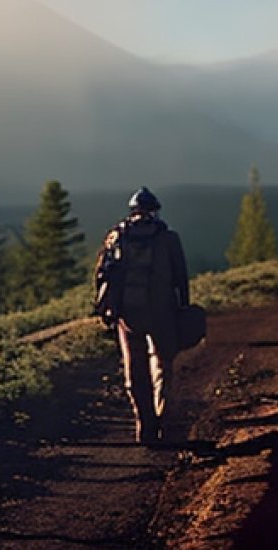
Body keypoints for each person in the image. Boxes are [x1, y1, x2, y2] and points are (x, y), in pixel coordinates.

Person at [95, 186, 190, 445]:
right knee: (161, 365)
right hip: (162, 312)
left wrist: (107, 309)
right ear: (155, 211)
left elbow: (102, 275)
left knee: (135, 369)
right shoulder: (169, 238)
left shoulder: (116, 236)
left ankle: (144, 425)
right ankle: (164, 420)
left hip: (127, 314)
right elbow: (181, 277)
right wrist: (183, 307)